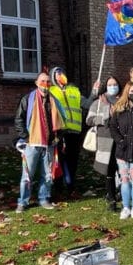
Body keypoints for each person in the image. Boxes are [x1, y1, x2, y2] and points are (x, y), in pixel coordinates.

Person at [14, 72, 65, 213]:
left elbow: (61, 120)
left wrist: (57, 137)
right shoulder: (28, 99)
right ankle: (23, 201)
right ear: (36, 82)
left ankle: (44, 198)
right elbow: (19, 119)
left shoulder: (54, 100)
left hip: (49, 144)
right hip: (32, 144)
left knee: (47, 175)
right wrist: (25, 136)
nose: (45, 84)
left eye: (48, 82)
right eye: (42, 81)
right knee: (27, 175)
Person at [110, 81, 133, 219]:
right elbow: (113, 127)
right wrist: (120, 140)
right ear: (127, 92)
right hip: (122, 151)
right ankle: (126, 207)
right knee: (124, 180)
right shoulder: (119, 109)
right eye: (131, 91)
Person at [87, 76, 121, 211]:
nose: (113, 86)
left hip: (120, 141)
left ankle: (121, 195)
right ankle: (111, 199)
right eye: (110, 84)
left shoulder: (123, 101)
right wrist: (104, 116)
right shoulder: (99, 102)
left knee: (123, 171)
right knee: (109, 171)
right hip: (105, 142)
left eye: (115, 84)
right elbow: (89, 120)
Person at [49, 66, 83, 198]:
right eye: (58, 73)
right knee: (59, 161)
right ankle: (60, 188)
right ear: (53, 77)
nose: (61, 75)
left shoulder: (74, 90)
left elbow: (85, 102)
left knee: (72, 160)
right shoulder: (51, 91)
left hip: (74, 132)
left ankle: (70, 186)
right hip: (60, 132)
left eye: (62, 72)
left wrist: (95, 92)